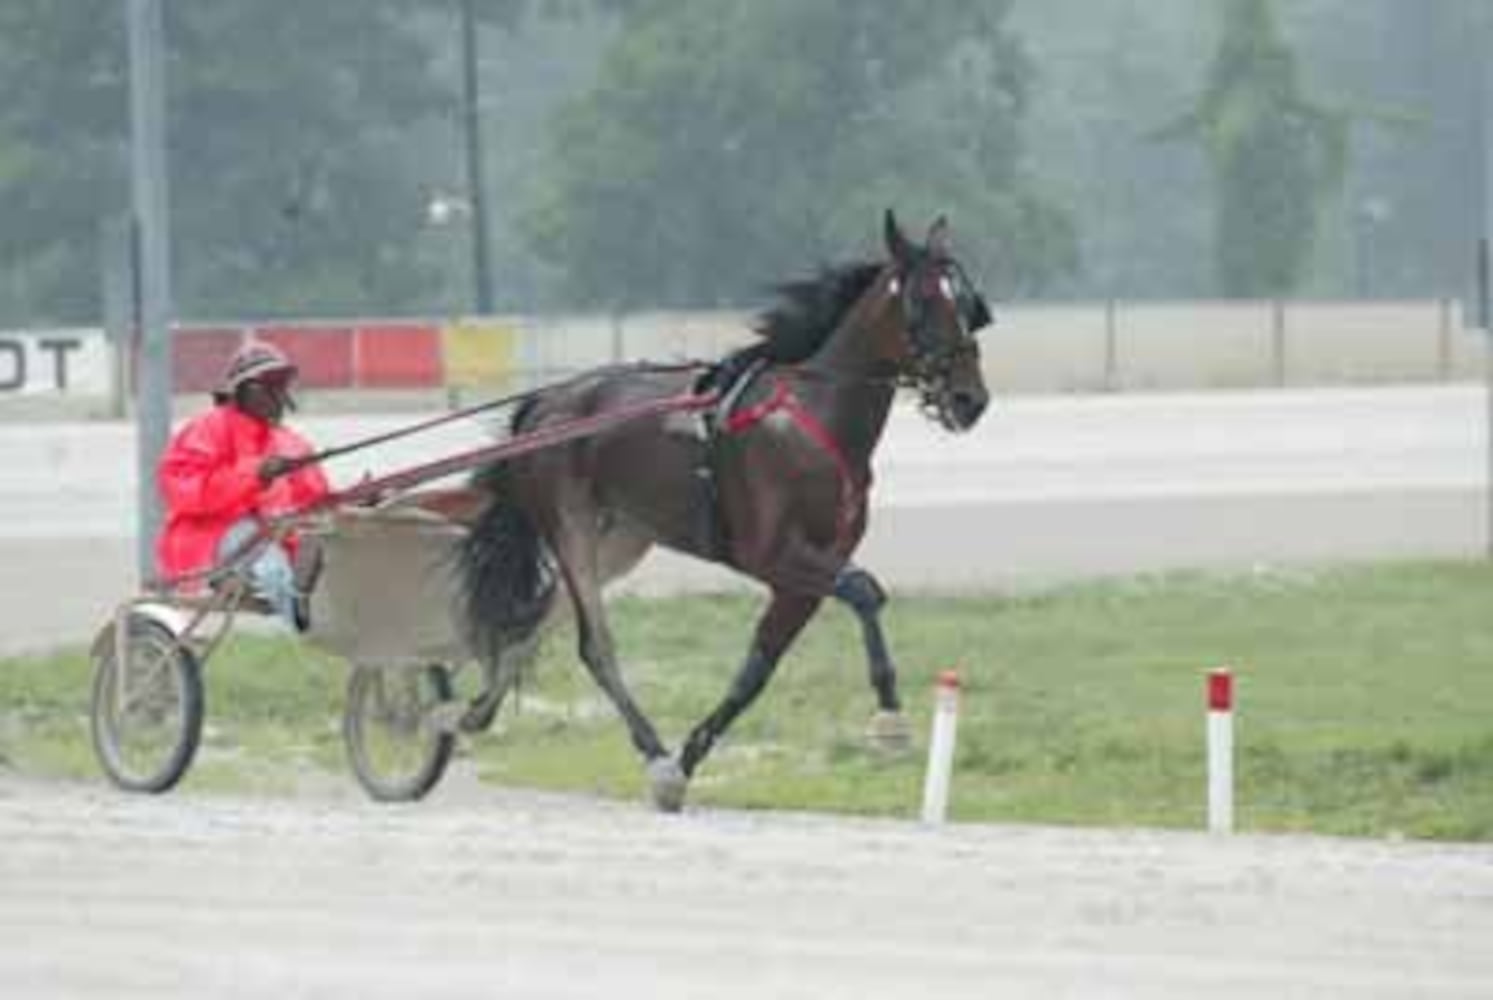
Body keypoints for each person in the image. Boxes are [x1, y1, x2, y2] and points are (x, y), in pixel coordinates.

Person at [156, 340, 330, 627]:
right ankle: (304, 622)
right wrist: (254, 475)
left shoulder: (291, 443)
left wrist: (357, 501)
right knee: (265, 555)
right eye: (272, 384)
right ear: (245, 391)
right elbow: (184, 492)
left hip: (275, 538)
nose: (280, 393)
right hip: (209, 538)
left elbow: (316, 501)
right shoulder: (209, 428)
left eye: (282, 382)